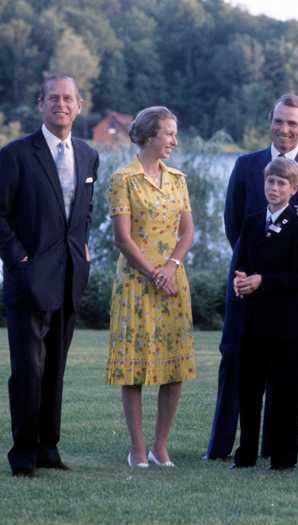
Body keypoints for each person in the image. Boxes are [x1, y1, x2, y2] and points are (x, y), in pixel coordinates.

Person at [206, 94, 298, 461]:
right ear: (271, 122)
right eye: (279, 121)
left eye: (293, 123)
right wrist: (252, 273)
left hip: (291, 296)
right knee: (234, 365)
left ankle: (273, 450)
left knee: (284, 378)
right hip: (245, 290)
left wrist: (280, 279)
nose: (285, 129)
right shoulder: (246, 166)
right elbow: (234, 227)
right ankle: (221, 447)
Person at [0, 75, 99, 477]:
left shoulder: (89, 155)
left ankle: (48, 448)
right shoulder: (15, 155)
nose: (61, 104)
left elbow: (84, 213)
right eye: (54, 98)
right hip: (28, 280)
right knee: (28, 370)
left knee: (55, 368)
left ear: (79, 106)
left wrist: (84, 251)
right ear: (40, 104)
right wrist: (19, 258)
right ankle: (23, 454)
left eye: (68, 98)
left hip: (69, 278)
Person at [106, 106, 196, 468]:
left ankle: (161, 446)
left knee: (173, 369)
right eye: (168, 133)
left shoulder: (178, 179)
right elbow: (122, 239)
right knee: (136, 369)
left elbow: (187, 232)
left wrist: (171, 267)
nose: (174, 140)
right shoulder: (122, 179)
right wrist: (153, 273)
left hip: (173, 281)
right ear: (148, 136)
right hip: (135, 283)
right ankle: (138, 449)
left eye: (175, 133)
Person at [231, 157, 298, 471]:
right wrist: (241, 280)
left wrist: (263, 280)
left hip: (287, 324)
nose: (274, 188)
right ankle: (246, 454)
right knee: (249, 390)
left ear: (293, 189)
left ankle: (283, 457)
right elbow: (242, 261)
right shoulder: (252, 221)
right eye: (270, 182)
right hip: (253, 320)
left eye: (281, 183)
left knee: (286, 393)